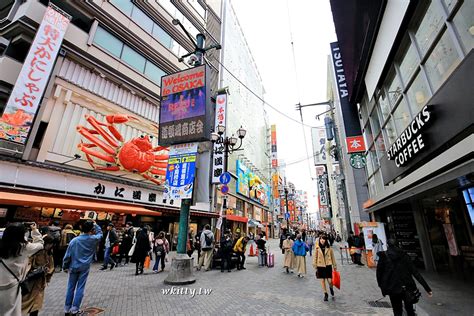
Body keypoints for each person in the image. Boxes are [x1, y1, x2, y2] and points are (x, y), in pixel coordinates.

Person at [377, 239, 432, 316]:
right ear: (398, 245)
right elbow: (415, 272)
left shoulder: (384, 257)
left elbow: (379, 274)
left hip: (393, 288)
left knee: (397, 310)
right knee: (410, 310)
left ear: (387, 245)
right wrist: (427, 288)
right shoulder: (404, 255)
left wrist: (382, 287)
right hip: (407, 287)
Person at [0, 223, 44, 316]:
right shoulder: (25, 248)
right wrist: (34, 230)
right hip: (11, 287)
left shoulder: (2, 245)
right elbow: (40, 244)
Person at [63, 220, 102, 315]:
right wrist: (95, 224)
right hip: (85, 266)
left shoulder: (74, 241)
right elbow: (100, 233)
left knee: (70, 287)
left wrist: (65, 266)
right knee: (80, 287)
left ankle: (67, 308)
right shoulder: (94, 239)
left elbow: (67, 256)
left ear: (81, 228)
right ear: (92, 229)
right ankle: (75, 309)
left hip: (73, 266)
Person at [22, 235, 55, 316]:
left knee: (36, 303)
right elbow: (28, 264)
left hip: (39, 282)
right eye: (49, 244)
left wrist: (47, 271)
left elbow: (51, 266)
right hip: (32, 281)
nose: (50, 246)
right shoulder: (37, 251)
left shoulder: (48, 253)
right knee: (27, 301)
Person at [313, 234, 337, 301]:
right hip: (320, 265)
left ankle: (331, 288)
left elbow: (333, 257)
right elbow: (315, 257)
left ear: (326, 240)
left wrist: (334, 265)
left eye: (323, 239)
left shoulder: (329, 248)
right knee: (322, 281)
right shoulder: (317, 248)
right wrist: (315, 265)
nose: (322, 240)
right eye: (320, 239)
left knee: (330, 280)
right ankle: (325, 293)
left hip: (328, 265)